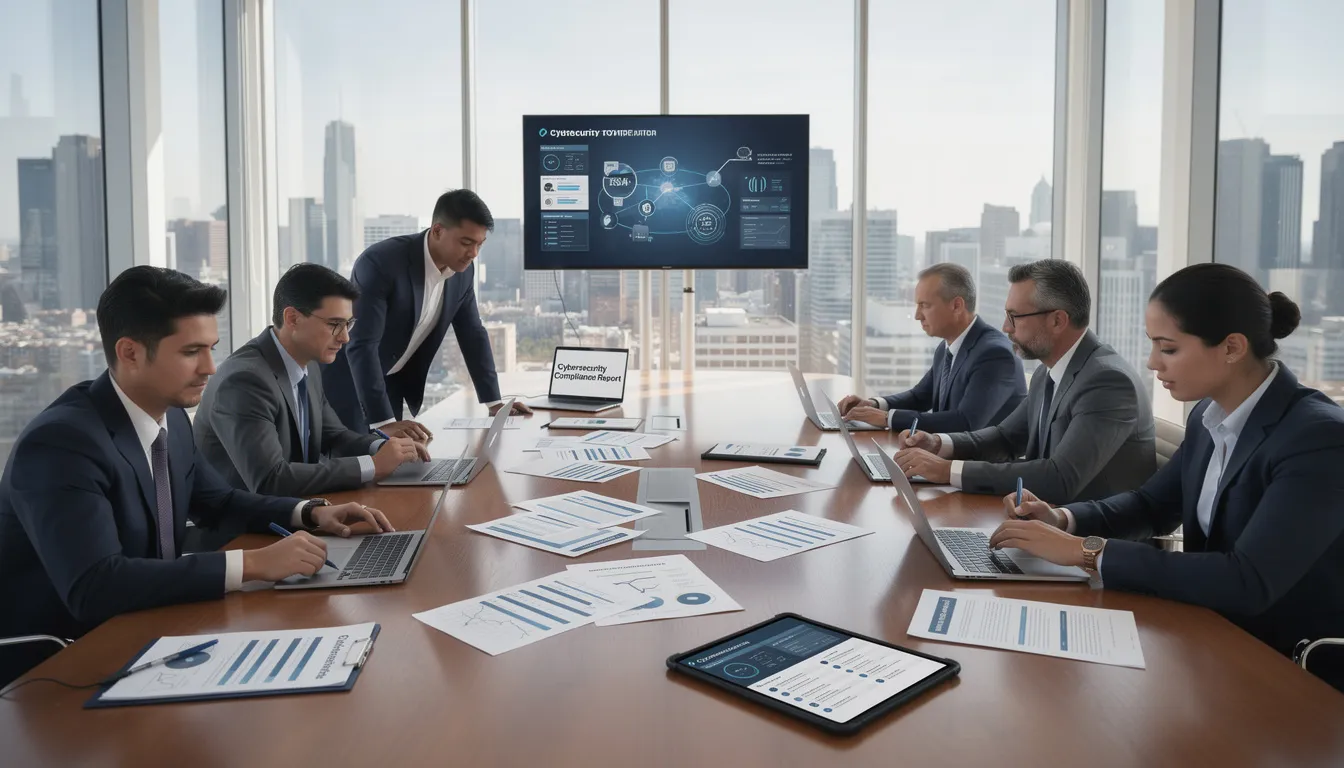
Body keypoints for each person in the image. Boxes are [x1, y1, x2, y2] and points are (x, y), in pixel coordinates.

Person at [0, 267, 393, 687]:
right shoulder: (63, 443)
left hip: (147, 630)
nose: (209, 367)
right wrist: (253, 563)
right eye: (191, 352)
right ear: (130, 353)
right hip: (56, 668)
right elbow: (95, 586)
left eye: (211, 349)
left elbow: (218, 501)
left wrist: (309, 513)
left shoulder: (170, 417)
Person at [989, 263, 1344, 692]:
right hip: (1208, 636)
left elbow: (1247, 581)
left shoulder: (1317, 438)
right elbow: (1151, 506)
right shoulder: (1209, 416)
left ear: (1232, 347)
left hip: (1287, 670)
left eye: (1168, 348)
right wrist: (1062, 519)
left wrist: (1086, 552)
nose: (1152, 362)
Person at [893, 259, 1155, 503]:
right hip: (1042, 518)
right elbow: (1005, 438)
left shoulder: (1107, 382)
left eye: (1014, 316)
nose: (1006, 327)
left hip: (1088, 533)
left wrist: (948, 470)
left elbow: (1060, 478)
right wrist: (940, 444)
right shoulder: (1047, 372)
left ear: (1057, 320)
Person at [194, 264, 431, 497]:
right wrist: (374, 466)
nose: (345, 337)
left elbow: (334, 437)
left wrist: (384, 448)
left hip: (298, 508)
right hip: (246, 521)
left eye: (348, 324)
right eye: (334, 324)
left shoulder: (308, 364)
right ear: (293, 319)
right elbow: (270, 480)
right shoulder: (244, 381)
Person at [322, 189, 532, 433]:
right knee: (356, 455)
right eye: (466, 243)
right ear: (438, 231)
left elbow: (472, 334)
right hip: (348, 384)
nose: (473, 253)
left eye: (479, 244)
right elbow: (362, 344)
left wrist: (494, 403)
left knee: (394, 454)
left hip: (389, 386)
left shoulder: (463, 273)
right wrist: (384, 422)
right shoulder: (381, 263)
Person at [837, 263, 1025, 432]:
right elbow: (920, 397)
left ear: (957, 306)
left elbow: (965, 422)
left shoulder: (994, 354)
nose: (917, 315)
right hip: (944, 453)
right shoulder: (946, 347)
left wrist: (887, 418)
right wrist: (873, 405)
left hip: (977, 459)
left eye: (924, 305)